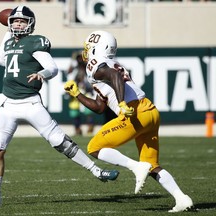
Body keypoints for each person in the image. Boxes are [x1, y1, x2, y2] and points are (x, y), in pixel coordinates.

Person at [0, 8, 119, 206]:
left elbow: (52, 67)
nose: (17, 24)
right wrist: (6, 32)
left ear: (30, 24)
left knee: (61, 142)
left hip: (30, 102)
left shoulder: (36, 41)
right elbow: (0, 59)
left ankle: (97, 171)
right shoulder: (9, 42)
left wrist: (42, 74)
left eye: (22, 21)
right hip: (7, 104)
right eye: (14, 21)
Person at [64, 30, 194, 213]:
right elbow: (100, 107)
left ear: (97, 48)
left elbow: (115, 77)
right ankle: (182, 199)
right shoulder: (112, 64)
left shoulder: (96, 65)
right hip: (150, 111)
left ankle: (136, 167)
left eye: (90, 47)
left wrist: (123, 104)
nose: (87, 51)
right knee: (152, 165)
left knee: (94, 147)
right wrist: (77, 94)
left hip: (134, 113)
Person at [66, 51, 95, 135]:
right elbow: (68, 72)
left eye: (80, 58)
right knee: (74, 110)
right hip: (75, 90)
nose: (79, 60)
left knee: (88, 109)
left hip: (86, 90)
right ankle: (77, 128)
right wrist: (72, 60)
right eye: (78, 58)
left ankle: (90, 126)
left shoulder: (87, 67)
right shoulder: (74, 68)